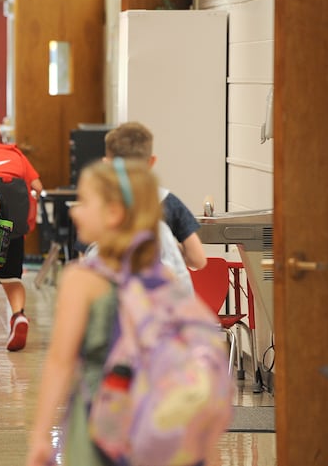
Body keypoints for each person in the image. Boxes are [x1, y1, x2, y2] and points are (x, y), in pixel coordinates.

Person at [27, 158, 163, 466]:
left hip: (99, 419)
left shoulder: (83, 279)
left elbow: (62, 362)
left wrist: (39, 435)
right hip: (153, 418)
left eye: (84, 201)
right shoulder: (159, 277)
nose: (74, 210)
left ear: (114, 213)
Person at [0, 106, 43, 352]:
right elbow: (37, 186)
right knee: (12, 278)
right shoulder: (16, 154)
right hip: (11, 230)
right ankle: (19, 315)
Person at [104, 121, 207, 272]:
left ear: (107, 163)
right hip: (161, 293)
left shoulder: (99, 205)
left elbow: (86, 258)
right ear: (151, 161)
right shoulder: (169, 202)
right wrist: (171, 249)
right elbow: (198, 259)